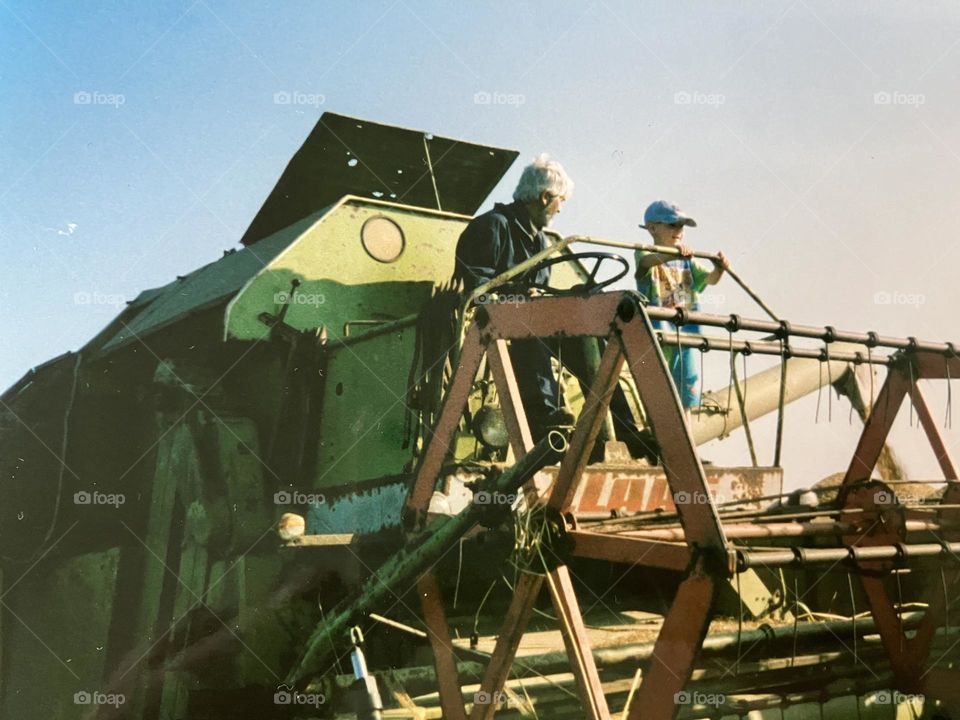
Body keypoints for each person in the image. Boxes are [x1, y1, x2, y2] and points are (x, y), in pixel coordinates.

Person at [454, 155, 653, 461]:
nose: (561, 209)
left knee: (588, 339)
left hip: (533, 320)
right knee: (530, 328)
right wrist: (516, 299)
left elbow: (543, 289)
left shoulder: (542, 242)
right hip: (499, 325)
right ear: (545, 197)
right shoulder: (492, 227)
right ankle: (546, 424)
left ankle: (625, 431)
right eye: (560, 201)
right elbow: (477, 287)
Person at [635, 200, 729, 419]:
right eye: (672, 225)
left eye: (681, 227)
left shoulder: (687, 262)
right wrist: (673, 254)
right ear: (652, 228)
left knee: (686, 391)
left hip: (685, 336)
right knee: (661, 391)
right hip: (658, 335)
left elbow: (709, 280)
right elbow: (646, 263)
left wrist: (720, 269)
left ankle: (686, 434)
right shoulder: (644, 252)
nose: (679, 231)